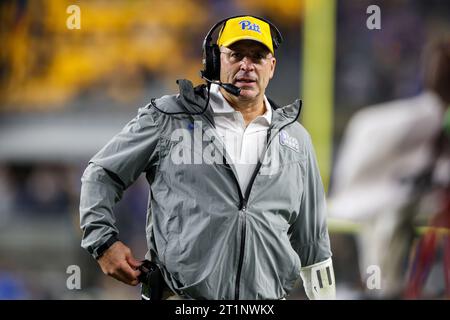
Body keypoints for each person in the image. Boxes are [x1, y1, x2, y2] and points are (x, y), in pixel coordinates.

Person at [80, 15, 335, 300]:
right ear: (215, 61)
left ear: (272, 67)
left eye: (258, 57)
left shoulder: (296, 140)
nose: (247, 66)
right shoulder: (169, 118)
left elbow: (313, 242)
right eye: (236, 55)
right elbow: (101, 174)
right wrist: (102, 243)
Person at [329, 38, 450, 298]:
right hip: (386, 196)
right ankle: (382, 286)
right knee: (386, 218)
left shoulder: (424, 115)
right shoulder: (416, 116)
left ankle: (384, 286)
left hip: (409, 199)